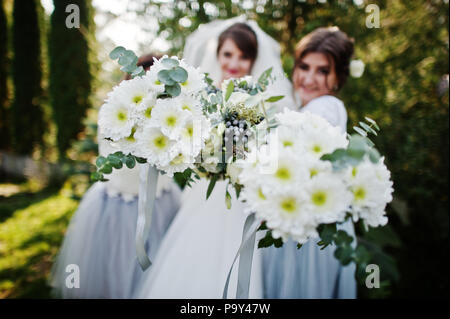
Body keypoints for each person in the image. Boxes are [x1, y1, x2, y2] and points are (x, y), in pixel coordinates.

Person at [134, 17, 295, 299]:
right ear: (217, 54)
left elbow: (268, 160)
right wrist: (207, 158)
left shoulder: (258, 102)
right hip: (203, 195)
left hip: (240, 201)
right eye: (228, 54)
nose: (234, 63)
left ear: (254, 61)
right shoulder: (200, 96)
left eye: (243, 57)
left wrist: (238, 162)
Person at [49, 54, 182, 298]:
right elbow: (120, 157)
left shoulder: (177, 115)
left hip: (163, 201)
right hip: (118, 206)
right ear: (131, 78)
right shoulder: (113, 113)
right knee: (115, 273)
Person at [261, 26, 358, 298]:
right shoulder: (302, 108)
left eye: (323, 71)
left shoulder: (326, 107)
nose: (309, 78)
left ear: (338, 77)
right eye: (304, 66)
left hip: (310, 235)